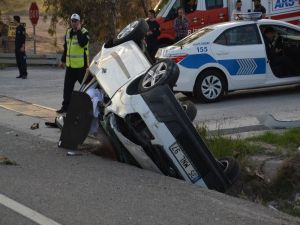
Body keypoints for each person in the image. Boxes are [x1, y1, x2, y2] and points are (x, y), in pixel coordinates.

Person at [57, 13, 90, 114]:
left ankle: (90, 107)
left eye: (76, 21)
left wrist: (78, 30)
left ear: (79, 22)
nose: (74, 23)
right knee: (67, 89)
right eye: (72, 21)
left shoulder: (85, 32)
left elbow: (82, 43)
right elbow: (66, 48)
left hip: (81, 67)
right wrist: (62, 61)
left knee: (87, 88)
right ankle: (65, 107)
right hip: (70, 67)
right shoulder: (68, 32)